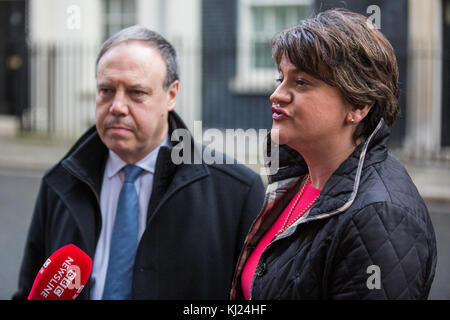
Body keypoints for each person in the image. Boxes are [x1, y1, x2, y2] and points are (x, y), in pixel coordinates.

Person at [13, 26, 265, 300]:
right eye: (106, 90)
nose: (117, 106)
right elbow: (30, 291)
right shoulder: (60, 183)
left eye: (136, 93)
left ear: (171, 95)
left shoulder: (236, 192)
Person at [230, 8, 437, 300]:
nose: (277, 95)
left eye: (301, 82)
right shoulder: (298, 178)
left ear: (358, 106)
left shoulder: (380, 216)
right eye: (281, 79)